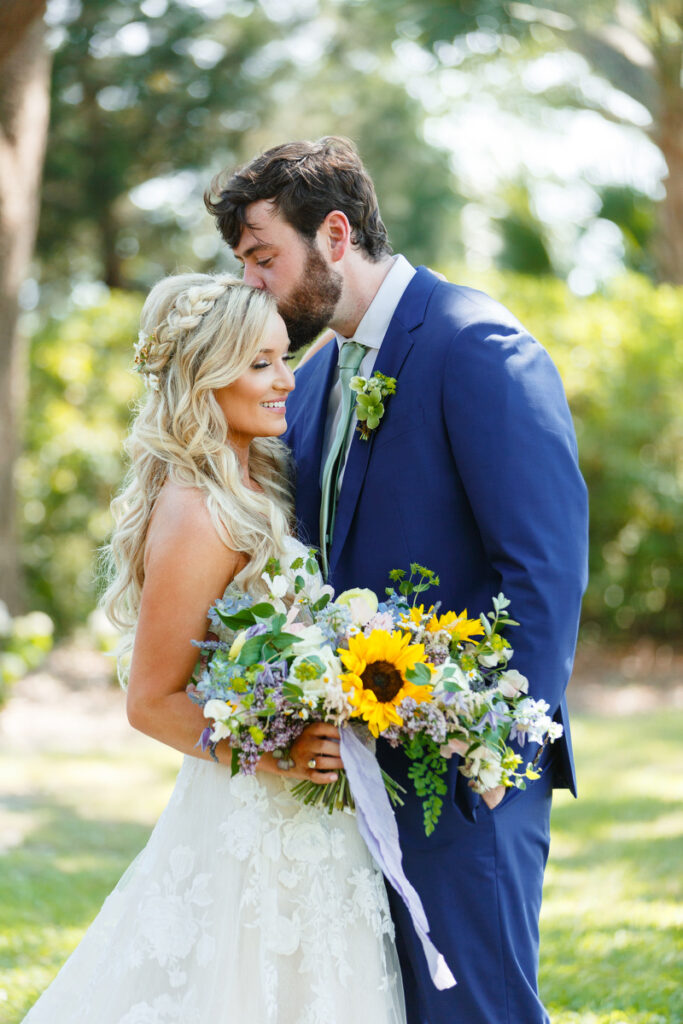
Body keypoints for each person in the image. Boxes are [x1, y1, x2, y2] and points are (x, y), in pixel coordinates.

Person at [204, 136, 589, 1024]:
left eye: (266, 258)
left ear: (334, 234)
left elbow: (541, 567)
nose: (254, 286)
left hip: (461, 770)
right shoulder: (311, 379)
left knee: (475, 1010)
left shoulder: (476, 345)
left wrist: (493, 751)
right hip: (346, 771)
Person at [22, 272, 406, 1024]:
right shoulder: (196, 512)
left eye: (280, 357)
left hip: (309, 814)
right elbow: (151, 701)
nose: (286, 380)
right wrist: (274, 755)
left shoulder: (254, 482)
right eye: (259, 363)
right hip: (253, 818)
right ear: (204, 376)